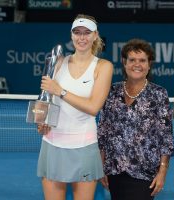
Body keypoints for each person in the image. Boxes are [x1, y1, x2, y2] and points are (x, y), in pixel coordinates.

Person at [37, 14, 113, 200]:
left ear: (95, 35)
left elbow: (94, 107)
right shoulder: (58, 62)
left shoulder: (103, 66)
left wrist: (60, 91)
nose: (81, 37)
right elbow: (44, 98)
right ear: (71, 36)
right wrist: (40, 119)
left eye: (87, 33)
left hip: (84, 146)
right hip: (52, 143)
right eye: (77, 32)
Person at [97, 38, 174, 200]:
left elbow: (166, 138)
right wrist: (100, 166)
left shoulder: (159, 94)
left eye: (142, 60)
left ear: (149, 64)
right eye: (132, 60)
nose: (137, 64)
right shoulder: (111, 91)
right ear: (124, 62)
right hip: (114, 170)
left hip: (144, 173)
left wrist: (162, 171)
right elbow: (103, 131)